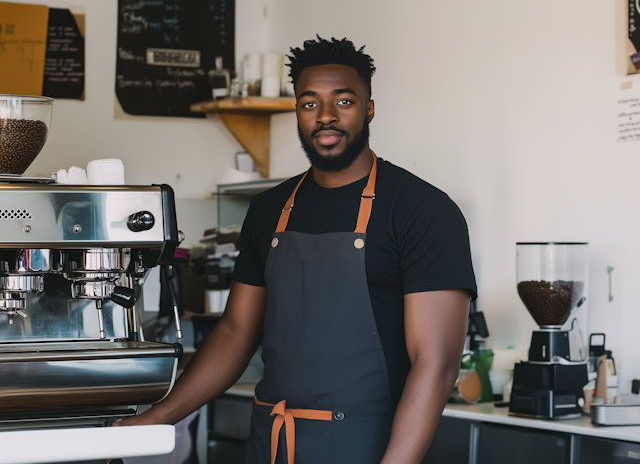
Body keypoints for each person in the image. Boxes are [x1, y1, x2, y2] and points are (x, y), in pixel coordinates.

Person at [118, 36, 477, 464]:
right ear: (298, 112)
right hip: (271, 444)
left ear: (369, 108)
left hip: (369, 448)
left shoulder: (422, 211)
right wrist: (159, 417)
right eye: (310, 103)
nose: (326, 116)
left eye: (343, 101)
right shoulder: (269, 209)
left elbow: (435, 365)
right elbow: (235, 333)